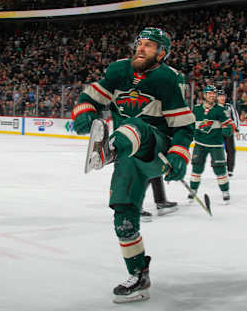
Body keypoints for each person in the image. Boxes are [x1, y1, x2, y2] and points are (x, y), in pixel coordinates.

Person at [71, 27, 195, 303]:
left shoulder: (168, 78)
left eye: (149, 46)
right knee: (123, 218)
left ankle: (108, 150)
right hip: (127, 156)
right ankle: (139, 275)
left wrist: (179, 155)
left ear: (162, 53)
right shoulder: (118, 71)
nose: (141, 48)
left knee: (136, 126)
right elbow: (89, 97)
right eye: (140, 44)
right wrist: (85, 112)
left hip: (156, 146)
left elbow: (185, 126)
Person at [189, 85, 235, 203]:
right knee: (196, 168)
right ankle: (193, 190)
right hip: (200, 144)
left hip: (216, 145)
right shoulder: (196, 109)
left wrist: (228, 130)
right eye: (209, 93)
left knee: (220, 169)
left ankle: (225, 191)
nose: (212, 95)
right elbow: (190, 125)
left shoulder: (220, 110)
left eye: (214, 93)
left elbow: (228, 124)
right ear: (204, 95)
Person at [217, 91, 240, 177]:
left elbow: (235, 118)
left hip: (228, 132)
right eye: (220, 96)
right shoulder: (214, 107)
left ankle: (230, 169)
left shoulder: (229, 107)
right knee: (217, 151)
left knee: (231, 150)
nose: (222, 98)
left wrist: (237, 130)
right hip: (217, 132)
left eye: (223, 96)